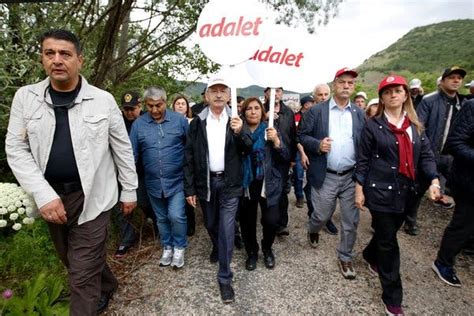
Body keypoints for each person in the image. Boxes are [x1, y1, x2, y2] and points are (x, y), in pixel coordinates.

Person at [5, 29, 138, 315]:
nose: (57, 60)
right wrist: (43, 195)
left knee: (80, 275)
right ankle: (107, 283)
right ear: (42, 58)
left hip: (94, 197)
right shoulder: (25, 98)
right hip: (51, 198)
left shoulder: (103, 100)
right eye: (49, 53)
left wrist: (129, 190)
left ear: (80, 60)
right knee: (71, 258)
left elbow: (122, 149)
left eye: (65, 54)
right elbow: (15, 148)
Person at [354, 75, 440, 316]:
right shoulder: (372, 125)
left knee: (387, 234)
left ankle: (370, 255)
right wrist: (358, 188)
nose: (393, 95)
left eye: (398, 90)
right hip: (380, 192)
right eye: (388, 91)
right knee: (390, 244)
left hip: (408, 192)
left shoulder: (415, 125)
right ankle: (392, 298)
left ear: (405, 95)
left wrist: (434, 180)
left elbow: (426, 155)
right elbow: (363, 160)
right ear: (382, 97)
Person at [184, 76, 252, 303]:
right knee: (211, 224)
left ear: (230, 95)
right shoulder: (197, 123)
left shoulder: (236, 120)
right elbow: (189, 157)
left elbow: (248, 148)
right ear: (206, 96)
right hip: (207, 183)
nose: (219, 94)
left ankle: (225, 278)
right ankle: (218, 246)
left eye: (223, 90)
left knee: (226, 229)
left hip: (230, 184)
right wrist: (190, 188)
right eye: (214, 90)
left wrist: (240, 131)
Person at [299, 67, 365, 279]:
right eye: (342, 82)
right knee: (321, 215)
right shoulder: (316, 111)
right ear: (335, 84)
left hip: (350, 176)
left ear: (353, 87)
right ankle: (313, 229)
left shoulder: (359, 114)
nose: (346, 86)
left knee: (350, 220)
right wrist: (318, 145)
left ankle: (345, 256)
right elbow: (302, 136)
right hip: (325, 174)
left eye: (350, 83)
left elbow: (365, 144)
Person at [131, 87, 189, 268]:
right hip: (152, 182)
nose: (155, 110)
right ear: (144, 105)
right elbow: (132, 154)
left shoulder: (180, 121)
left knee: (176, 216)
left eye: (159, 105)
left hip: (176, 180)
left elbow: (190, 151)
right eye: (150, 106)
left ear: (165, 102)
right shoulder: (138, 125)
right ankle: (167, 246)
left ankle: (179, 246)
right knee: (161, 217)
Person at [405, 67, 466, 236]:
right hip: (429, 154)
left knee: (462, 192)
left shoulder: (463, 103)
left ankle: (461, 232)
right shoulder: (429, 100)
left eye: (459, 78)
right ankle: (409, 220)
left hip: (452, 156)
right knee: (417, 190)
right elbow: (418, 126)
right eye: (452, 77)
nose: (456, 80)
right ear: (443, 81)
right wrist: (423, 152)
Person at [240, 97, 291, 271]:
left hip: (268, 183)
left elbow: (285, 156)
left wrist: (276, 141)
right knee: (247, 222)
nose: (253, 111)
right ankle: (252, 252)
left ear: (262, 112)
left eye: (256, 108)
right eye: (249, 108)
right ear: (243, 112)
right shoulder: (238, 130)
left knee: (271, 220)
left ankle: (267, 248)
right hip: (246, 183)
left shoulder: (270, 130)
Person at [432, 99, 474, 287]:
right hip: (469, 181)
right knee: (463, 224)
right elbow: (454, 142)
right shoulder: (472, 106)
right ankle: (443, 262)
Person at [115, 91, 156, 258]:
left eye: (133, 108)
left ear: (140, 106)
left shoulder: (149, 120)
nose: (129, 112)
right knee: (122, 208)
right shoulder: (118, 122)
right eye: (126, 109)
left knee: (147, 202)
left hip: (144, 171)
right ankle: (126, 239)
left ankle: (157, 225)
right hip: (123, 172)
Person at [263, 87, 297, 236]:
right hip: (264, 159)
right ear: (266, 93)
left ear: (282, 93)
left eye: (278, 90)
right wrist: (265, 117)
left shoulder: (288, 112)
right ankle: (268, 221)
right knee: (265, 191)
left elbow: (293, 136)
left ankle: (281, 224)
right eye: (271, 90)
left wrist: (293, 158)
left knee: (282, 191)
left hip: (283, 158)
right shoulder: (259, 109)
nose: (275, 93)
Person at [172, 94, 196, 236]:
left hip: (188, 162)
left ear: (187, 107)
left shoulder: (193, 122)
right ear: (173, 106)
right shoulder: (168, 122)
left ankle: (190, 223)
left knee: (188, 192)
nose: (181, 105)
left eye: (183, 103)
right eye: (178, 103)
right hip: (174, 162)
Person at [293, 95, 314, 208]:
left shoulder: (314, 116)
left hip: (311, 149)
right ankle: (299, 196)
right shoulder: (295, 117)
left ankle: (309, 194)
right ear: (306, 104)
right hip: (297, 149)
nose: (313, 105)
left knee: (312, 174)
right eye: (312, 103)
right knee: (299, 175)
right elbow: (295, 135)